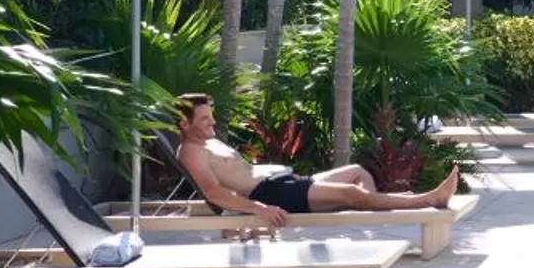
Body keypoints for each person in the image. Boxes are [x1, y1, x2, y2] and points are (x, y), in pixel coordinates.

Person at [172, 93, 457, 228]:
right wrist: (260, 208)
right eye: (204, 119)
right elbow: (214, 192)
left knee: (356, 173)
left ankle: (371, 207)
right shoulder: (191, 151)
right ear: (185, 125)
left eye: (211, 115)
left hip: (279, 182)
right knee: (350, 193)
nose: (213, 122)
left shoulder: (208, 140)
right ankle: (427, 200)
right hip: (271, 195)